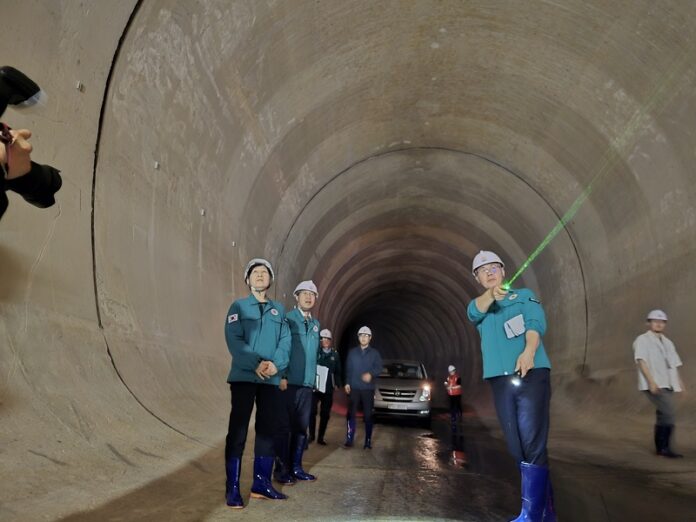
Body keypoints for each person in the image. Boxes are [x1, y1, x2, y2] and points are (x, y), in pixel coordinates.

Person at [466, 250, 556, 521]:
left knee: (532, 442)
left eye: (494, 267)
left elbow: (535, 323)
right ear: (477, 278)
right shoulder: (480, 308)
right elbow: (473, 312)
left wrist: (529, 351)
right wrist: (491, 296)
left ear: (504, 271)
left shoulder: (523, 296)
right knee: (517, 446)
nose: (489, 272)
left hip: (531, 374)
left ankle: (531, 514)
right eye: (483, 270)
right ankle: (546, 512)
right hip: (500, 380)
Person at [223, 258, 291, 509]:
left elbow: (286, 341)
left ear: (270, 280)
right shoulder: (238, 307)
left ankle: (261, 484)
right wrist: (256, 363)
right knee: (238, 431)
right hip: (244, 376)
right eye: (255, 272)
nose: (260, 275)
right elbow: (234, 339)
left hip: (270, 380)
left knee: (266, 431)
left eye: (264, 272)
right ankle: (232, 488)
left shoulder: (279, 310)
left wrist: (276, 365)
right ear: (248, 279)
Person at [274, 280, 320, 484]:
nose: (308, 297)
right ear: (296, 296)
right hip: (289, 382)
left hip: (307, 385)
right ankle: (281, 470)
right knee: (284, 428)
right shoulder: (288, 319)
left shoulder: (316, 324)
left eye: (312, 294)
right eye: (304, 293)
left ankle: (296, 467)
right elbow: (281, 347)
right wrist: (282, 375)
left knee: (301, 429)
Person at [633, 309, 685, 458]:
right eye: (655, 321)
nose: (659, 324)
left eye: (662, 322)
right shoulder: (642, 340)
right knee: (668, 413)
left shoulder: (668, 342)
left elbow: (673, 364)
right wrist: (651, 382)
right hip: (655, 383)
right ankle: (663, 448)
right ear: (648, 323)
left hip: (668, 383)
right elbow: (641, 361)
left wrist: (680, 383)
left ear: (665, 324)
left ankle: (662, 449)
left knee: (663, 414)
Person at [344, 326, 383, 449]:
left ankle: (368, 441)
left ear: (370, 338)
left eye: (366, 336)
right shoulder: (352, 352)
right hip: (354, 387)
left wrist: (371, 374)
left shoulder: (375, 353)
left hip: (368, 389)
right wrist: (347, 383)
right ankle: (349, 438)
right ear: (358, 337)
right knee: (351, 414)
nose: (363, 338)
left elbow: (379, 368)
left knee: (368, 415)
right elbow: (349, 369)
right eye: (361, 335)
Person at [309, 328, 343, 445]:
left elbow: (338, 371)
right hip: (316, 387)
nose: (325, 341)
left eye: (327, 339)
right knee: (311, 411)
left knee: (325, 414)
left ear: (331, 340)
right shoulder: (316, 353)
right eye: (323, 339)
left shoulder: (335, 355)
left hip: (328, 388)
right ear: (320, 340)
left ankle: (321, 437)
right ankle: (311, 435)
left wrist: (337, 384)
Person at [445, 364, 463, 429]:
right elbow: (446, 383)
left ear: (454, 371)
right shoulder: (448, 378)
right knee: (452, 406)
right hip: (451, 394)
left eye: (452, 371)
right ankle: (453, 417)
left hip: (457, 394)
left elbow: (459, 386)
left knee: (458, 405)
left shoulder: (458, 377)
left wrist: (452, 387)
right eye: (450, 372)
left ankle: (460, 415)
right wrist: (447, 386)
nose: (452, 372)